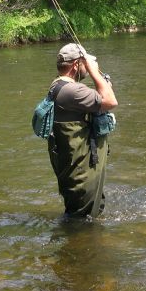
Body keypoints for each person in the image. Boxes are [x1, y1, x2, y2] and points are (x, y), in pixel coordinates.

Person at [48, 43, 118, 218]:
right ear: (76, 65)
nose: (87, 67)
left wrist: (102, 84)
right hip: (81, 171)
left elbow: (96, 99)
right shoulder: (73, 90)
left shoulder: (59, 85)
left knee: (83, 217)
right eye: (85, 63)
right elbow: (111, 101)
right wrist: (95, 72)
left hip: (76, 166)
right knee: (81, 221)